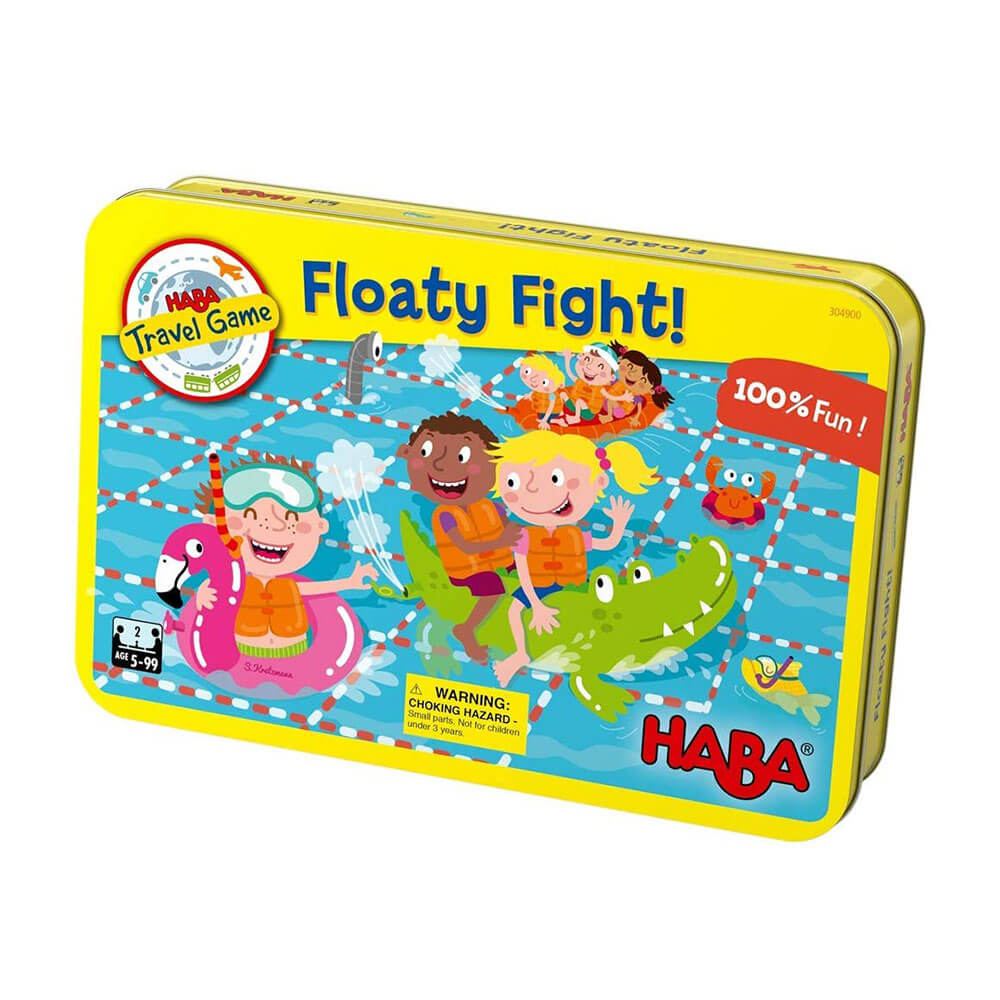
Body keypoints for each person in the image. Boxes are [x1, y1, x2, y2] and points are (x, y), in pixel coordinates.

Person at [489, 430, 658, 685]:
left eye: (555, 479)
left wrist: (619, 524)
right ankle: (521, 653)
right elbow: (523, 572)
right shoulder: (526, 535)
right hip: (538, 586)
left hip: (572, 583)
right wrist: (536, 605)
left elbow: (608, 543)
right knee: (514, 610)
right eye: (512, 482)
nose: (533, 491)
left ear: (599, 482)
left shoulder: (573, 535)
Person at [192, 455, 376, 658]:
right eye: (251, 516)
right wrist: (203, 593)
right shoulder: (235, 582)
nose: (276, 526)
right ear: (212, 524)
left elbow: (313, 590)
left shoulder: (287, 587)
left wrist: (350, 582)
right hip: (242, 650)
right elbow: (215, 585)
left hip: (294, 650)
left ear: (320, 526)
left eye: (292, 519)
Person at [397, 414, 523, 663]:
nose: (442, 466)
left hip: (499, 560)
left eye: (463, 456)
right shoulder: (447, 516)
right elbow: (464, 547)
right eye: (427, 452)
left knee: (528, 566)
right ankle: (466, 629)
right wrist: (502, 542)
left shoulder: (491, 506)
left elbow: (510, 529)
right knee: (493, 589)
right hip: (466, 570)